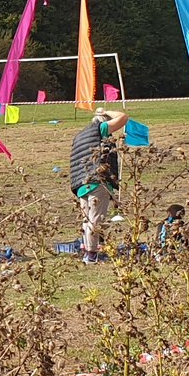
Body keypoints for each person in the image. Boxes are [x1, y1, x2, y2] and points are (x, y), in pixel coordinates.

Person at [69, 107, 128, 264]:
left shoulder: (80, 135)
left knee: (87, 218)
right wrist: (106, 112)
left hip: (81, 183)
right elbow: (123, 117)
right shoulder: (100, 129)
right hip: (97, 180)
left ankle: (87, 249)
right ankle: (92, 254)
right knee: (95, 219)